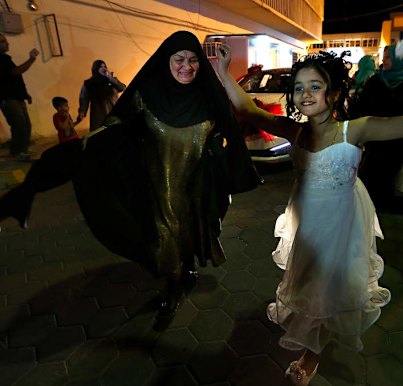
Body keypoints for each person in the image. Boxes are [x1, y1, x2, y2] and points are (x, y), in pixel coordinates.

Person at [216, 43, 403, 384]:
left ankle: (311, 354)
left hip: (344, 224)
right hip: (308, 224)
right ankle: (316, 342)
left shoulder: (356, 130)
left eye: (315, 86)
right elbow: (248, 110)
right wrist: (221, 72)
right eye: (299, 87)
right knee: (311, 288)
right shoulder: (296, 131)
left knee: (334, 288)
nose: (305, 94)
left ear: (334, 94)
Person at [0, 31, 262, 328]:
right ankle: (172, 288)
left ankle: (187, 269)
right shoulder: (147, 93)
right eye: (179, 59)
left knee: (193, 231)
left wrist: (221, 146)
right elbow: (119, 123)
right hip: (158, 187)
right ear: (166, 61)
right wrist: (95, 139)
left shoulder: (207, 95)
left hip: (198, 187)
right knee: (165, 235)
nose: (187, 66)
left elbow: (229, 128)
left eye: (193, 60)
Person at [357, 45, 403, 213]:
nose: (383, 60)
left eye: (388, 57)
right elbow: (363, 107)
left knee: (390, 170)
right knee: (370, 169)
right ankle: (366, 202)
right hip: (375, 136)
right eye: (384, 56)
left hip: (397, 138)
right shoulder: (375, 81)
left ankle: (381, 202)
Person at [0, 33, 39, 161]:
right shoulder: (1, 60)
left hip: (17, 97)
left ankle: (22, 150)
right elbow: (16, 72)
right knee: (19, 124)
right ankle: (18, 152)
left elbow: (15, 79)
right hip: (8, 98)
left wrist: (25, 94)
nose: (7, 43)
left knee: (26, 125)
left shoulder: (6, 58)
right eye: (3, 41)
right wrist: (31, 59)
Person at [77, 59, 126, 132]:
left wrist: (110, 78)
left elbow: (122, 88)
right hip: (99, 115)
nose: (103, 68)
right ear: (95, 69)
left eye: (104, 66)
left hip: (114, 113)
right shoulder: (89, 84)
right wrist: (82, 112)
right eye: (100, 67)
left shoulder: (112, 80)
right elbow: (84, 99)